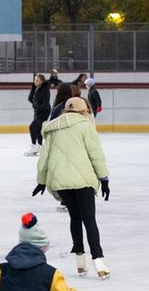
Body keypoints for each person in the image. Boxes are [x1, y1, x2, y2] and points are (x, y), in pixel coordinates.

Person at [34, 97, 110, 278]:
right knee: (89, 220)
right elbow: (96, 154)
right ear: (84, 111)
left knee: (75, 218)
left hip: (61, 181)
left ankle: (80, 262)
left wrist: (42, 180)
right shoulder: (86, 126)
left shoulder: (52, 128)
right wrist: (104, 178)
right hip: (82, 181)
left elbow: (44, 158)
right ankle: (98, 260)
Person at [26, 73, 51, 156]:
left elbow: (45, 104)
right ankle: (39, 146)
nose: (35, 82)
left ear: (42, 81)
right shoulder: (37, 88)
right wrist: (33, 87)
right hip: (38, 111)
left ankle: (34, 145)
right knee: (37, 128)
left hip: (44, 112)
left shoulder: (45, 90)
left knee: (32, 127)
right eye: (34, 80)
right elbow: (30, 99)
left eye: (37, 80)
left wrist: (35, 106)